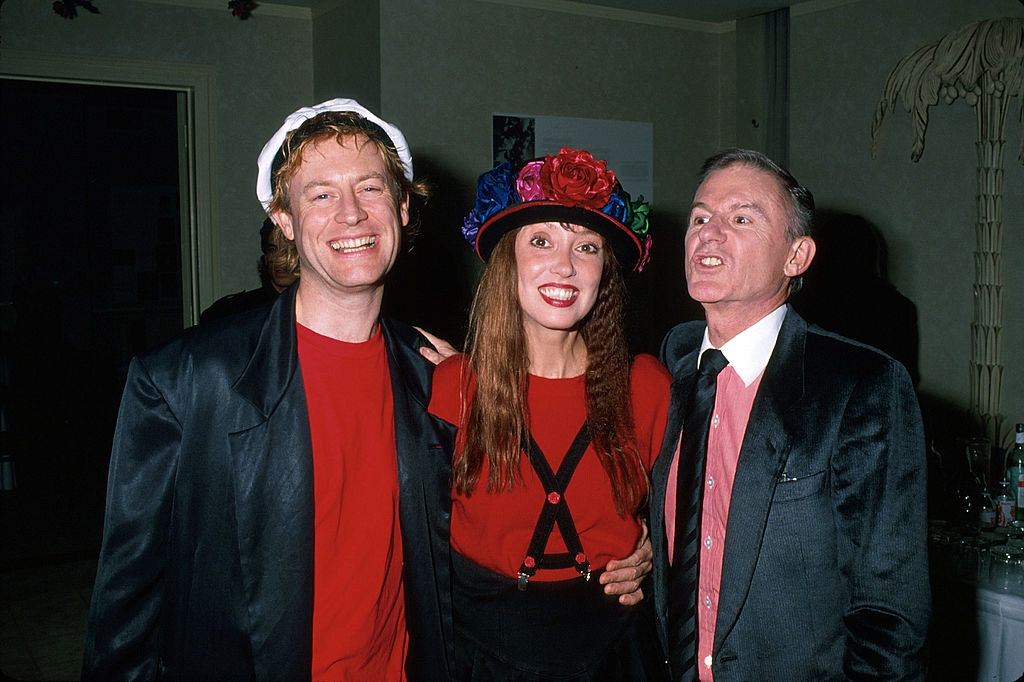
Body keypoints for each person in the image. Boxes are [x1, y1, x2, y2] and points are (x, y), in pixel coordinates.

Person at [82, 99, 648, 682]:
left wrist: (637, 544)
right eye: (321, 193)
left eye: (370, 189)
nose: (351, 214)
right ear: (283, 219)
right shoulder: (186, 381)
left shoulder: (436, 378)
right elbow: (126, 609)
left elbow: (500, 506)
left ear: (402, 208)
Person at [649, 148, 930, 681]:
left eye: (741, 218)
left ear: (796, 256)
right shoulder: (674, 363)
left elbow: (889, 614)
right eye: (701, 217)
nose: (709, 233)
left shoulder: (860, 385)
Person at [428, 148, 671, 680]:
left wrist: (656, 551)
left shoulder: (647, 388)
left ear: (606, 272)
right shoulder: (453, 389)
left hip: (614, 655)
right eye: (541, 241)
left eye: (586, 247)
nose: (564, 266)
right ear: (506, 262)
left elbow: (696, 516)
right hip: (480, 654)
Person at [198, 217, 298, 323]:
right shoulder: (232, 312)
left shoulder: (314, 310)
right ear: (266, 257)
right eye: (272, 250)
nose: (279, 259)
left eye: (288, 251)